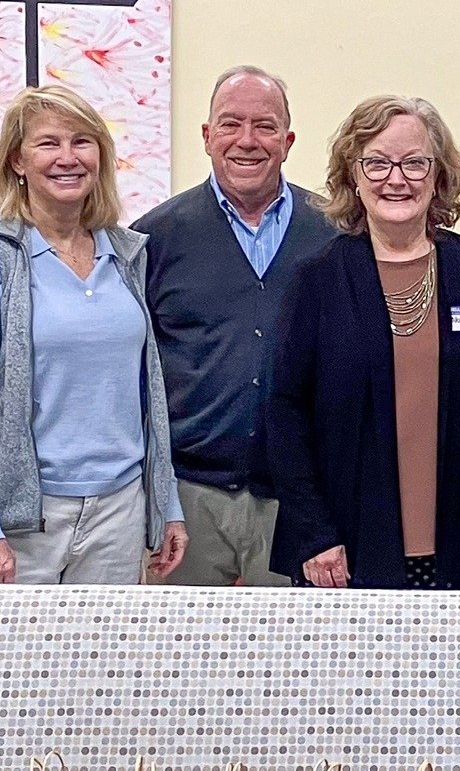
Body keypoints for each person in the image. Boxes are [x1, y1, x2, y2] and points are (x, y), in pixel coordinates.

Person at [0, 86, 186, 586]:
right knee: (10, 645)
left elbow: (147, 395)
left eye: (82, 142)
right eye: (48, 143)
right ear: (17, 160)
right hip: (20, 519)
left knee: (105, 643)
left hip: (120, 511)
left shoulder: (128, 254)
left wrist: (167, 503)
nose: (68, 158)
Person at [268, 95, 460, 589]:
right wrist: (314, 534)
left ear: (438, 175)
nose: (396, 179)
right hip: (344, 551)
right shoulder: (317, 280)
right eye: (377, 163)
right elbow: (284, 412)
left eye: (414, 163)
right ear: (353, 177)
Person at [134, 67, 334, 585]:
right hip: (186, 501)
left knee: (294, 638)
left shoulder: (335, 234)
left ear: (288, 141)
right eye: (230, 124)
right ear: (206, 136)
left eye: (265, 126)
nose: (247, 141)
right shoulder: (153, 239)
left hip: (299, 504)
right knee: (179, 638)